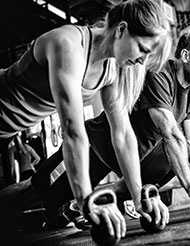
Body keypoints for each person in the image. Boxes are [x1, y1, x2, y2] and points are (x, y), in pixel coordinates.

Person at [19, 30, 190, 231]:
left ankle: (76, 208)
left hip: (131, 155)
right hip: (99, 146)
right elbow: (170, 131)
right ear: (186, 56)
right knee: (39, 195)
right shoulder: (159, 73)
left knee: (172, 162)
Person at [0, 0, 172, 239]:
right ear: (121, 29)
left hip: (8, 129)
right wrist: (86, 202)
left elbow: (122, 134)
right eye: (142, 49)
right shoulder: (68, 45)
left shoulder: (111, 68)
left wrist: (138, 196)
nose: (142, 61)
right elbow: (73, 130)